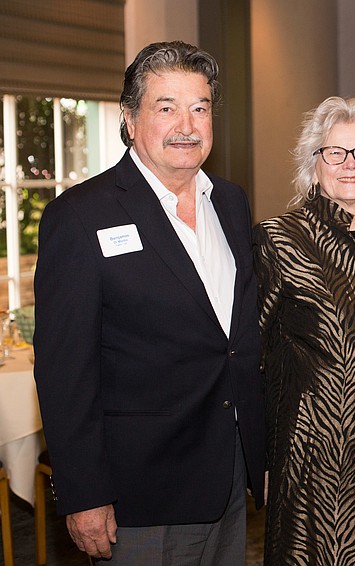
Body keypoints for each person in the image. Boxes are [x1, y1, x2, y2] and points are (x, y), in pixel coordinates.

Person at [32, 41, 264, 564]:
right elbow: (64, 369)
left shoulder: (229, 201)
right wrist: (85, 493)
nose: (187, 124)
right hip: (139, 492)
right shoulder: (80, 215)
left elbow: (234, 339)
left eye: (200, 107)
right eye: (166, 107)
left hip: (226, 474)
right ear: (131, 119)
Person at [254, 96, 355, 565]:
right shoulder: (279, 239)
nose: (350, 164)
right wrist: (260, 456)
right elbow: (255, 355)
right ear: (314, 163)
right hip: (313, 456)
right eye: (335, 152)